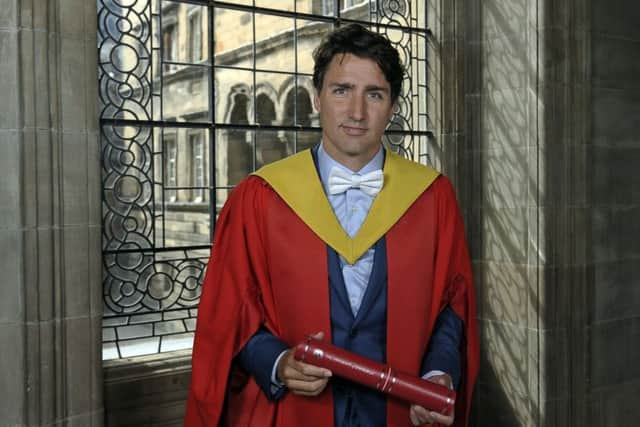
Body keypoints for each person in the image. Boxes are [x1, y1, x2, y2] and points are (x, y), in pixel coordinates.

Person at [185, 23, 479, 427]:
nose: (357, 112)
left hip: (397, 414)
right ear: (317, 97)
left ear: (393, 107)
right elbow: (230, 311)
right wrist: (276, 361)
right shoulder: (260, 197)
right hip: (293, 413)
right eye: (341, 90)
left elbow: (453, 305)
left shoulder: (432, 197)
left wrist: (438, 374)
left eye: (374, 94)